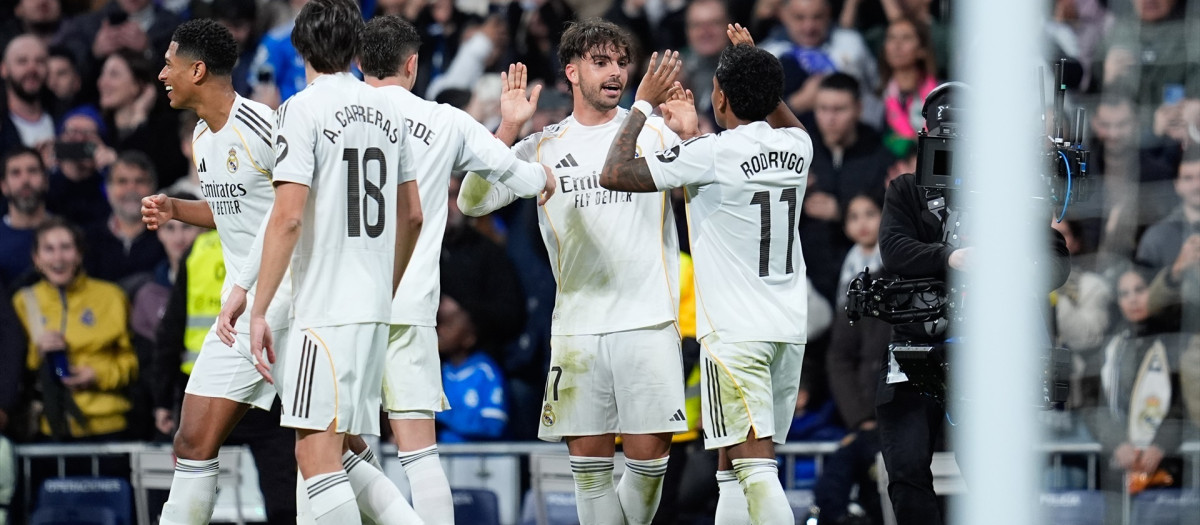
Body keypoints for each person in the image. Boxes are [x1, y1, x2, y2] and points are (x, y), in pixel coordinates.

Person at [458, 19, 692, 525]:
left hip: (647, 322)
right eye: (601, 62)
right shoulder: (543, 145)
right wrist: (507, 128)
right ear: (572, 71)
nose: (616, 72)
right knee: (590, 473)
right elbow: (472, 202)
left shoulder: (651, 130)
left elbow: (702, 183)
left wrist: (689, 129)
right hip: (577, 330)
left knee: (649, 465)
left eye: (622, 62)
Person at [598, 24, 811, 523]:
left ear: (719, 95)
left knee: (756, 469)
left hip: (736, 333)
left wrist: (643, 103)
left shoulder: (713, 153)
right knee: (732, 464)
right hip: (787, 328)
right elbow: (783, 124)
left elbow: (613, 172)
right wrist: (754, 67)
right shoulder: (799, 148)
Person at [349, 15, 552, 525]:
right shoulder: (445, 121)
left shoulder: (333, 116)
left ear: (356, 64)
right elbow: (521, 180)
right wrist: (528, 143)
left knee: (333, 451)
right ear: (413, 65)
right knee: (420, 455)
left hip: (344, 306)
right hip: (415, 309)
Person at [248, 1, 423, 524]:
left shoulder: (300, 109)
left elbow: (287, 219)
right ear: (356, 50)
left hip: (323, 312)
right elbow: (412, 215)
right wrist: (383, 287)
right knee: (344, 447)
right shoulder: (390, 108)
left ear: (300, 48)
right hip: (371, 305)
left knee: (314, 456)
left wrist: (259, 311)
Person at [874, 82, 1070, 525]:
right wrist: (952, 257)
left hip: (984, 355)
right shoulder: (905, 189)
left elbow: (1055, 261)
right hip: (913, 348)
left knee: (989, 471)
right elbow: (894, 250)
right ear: (925, 134)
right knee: (905, 471)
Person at [137, 19, 293, 525]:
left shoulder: (264, 127)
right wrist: (178, 209)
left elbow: (296, 213)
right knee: (193, 440)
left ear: (197, 70)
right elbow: (234, 211)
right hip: (244, 305)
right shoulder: (203, 135)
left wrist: (250, 290)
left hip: (284, 299)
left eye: (169, 63)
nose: (162, 73)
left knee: (329, 450)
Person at [1078, 264, 1194, 525]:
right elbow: (1089, 398)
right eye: (1124, 293)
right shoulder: (1108, 345)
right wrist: (1117, 442)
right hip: (1118, 467)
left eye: (1140, 290)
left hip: (1169, 466)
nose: (1132, 299)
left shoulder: (1175, 340)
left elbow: (1184, 400)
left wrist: (1162, 443)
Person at [13, 218, 138, 440]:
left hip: (108, 426)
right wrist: (37, 352)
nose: (58, 257)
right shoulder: (23, 302)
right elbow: (13, 368)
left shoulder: (111, 297)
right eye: (49, 249)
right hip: (47, 428)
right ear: (36, 258)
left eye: (66, 247)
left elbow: (133, 362)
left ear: (79, 254)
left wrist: (97, 375)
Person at [813, 192, 890, 524]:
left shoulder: (904, 270)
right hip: (866, 417)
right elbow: (840, 359)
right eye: (854, 216)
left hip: (901, 408)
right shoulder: (847, 281)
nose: (863, 223)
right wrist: (861, 419)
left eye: (870, 213)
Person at [83, 150, 165, 287]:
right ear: (108, 189)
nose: (131, 188)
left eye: (140, 181)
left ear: (153, 188)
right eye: (122, 181)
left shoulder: (168, 236)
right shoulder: (88, 239)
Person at [435, 293, 510, 443]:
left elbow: (494, 425)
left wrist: (443, 414)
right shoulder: (441, 371)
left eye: (449, 326)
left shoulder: (485, 372)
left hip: (481, 462)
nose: (441, 331)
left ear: (469, 339)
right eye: (441, 324)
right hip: (445, 460)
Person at [0, 147, 51, 287]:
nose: (25, 180)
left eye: (32, 171)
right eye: (16, 173)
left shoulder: (67, 233)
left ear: (46, 181)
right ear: (3, 186)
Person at [2, 35, 54, 148]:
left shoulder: (66, 119)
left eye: (40, 61)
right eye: (22, 61)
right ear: (3, 69)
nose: (32, 69)